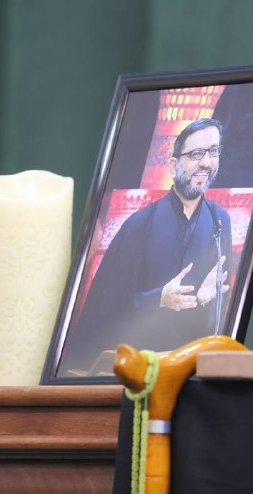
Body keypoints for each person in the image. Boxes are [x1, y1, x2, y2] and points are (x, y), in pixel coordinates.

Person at [60, 118, 233, 375]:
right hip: (136, 372)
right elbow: (106, 308)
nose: (206, 162)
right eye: (196, 154)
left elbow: (215, 323)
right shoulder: (139, 225)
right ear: (173, 165)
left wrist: (206, 301)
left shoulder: (220, 222)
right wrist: (159, 298)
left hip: (191, 371)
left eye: (213, 151)